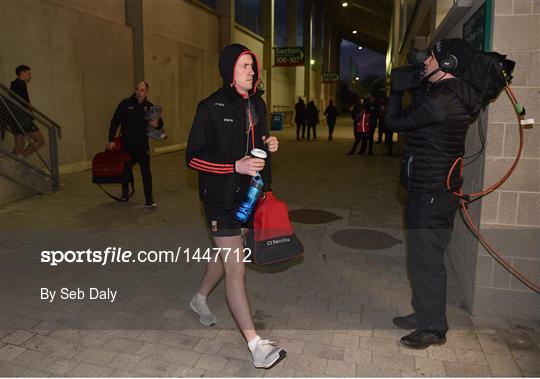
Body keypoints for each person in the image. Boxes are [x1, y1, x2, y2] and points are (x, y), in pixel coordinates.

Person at [186, 43, 285, 369]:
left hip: (249, 197)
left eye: (252, 67)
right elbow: (193, 157)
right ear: (230, 71)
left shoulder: (256, 103)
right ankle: (256, 346)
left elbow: (258, 148)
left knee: (228, 254)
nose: (251, 72)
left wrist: (269, 145)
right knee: (236, 268)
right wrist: (234, 167)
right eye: (245, 66)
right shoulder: (210, 107)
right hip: (219, 200)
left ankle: (199, 298)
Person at [386, 38, 481, 349]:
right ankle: (424, 313)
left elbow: (394, 122)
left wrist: (397, 91)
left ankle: (433, 328)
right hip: (432, 188)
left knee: (426, 260)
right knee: (419, 258)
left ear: (448, 64)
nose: (424, 62)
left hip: (431, 191)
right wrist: (420, 84)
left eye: (430, 59)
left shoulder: (442, 102)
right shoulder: (447, 94)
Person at [108, 81, 163, 208]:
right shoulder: (125, 104)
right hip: (126, 146)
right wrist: (111, 139)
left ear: (146, 91)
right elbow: (115, 121)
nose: (139, 92)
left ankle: (149, 199)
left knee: (146, 172)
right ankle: (125, 192)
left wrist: (157, 124)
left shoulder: (150, 107)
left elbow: (159, 123)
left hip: (142, 147)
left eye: (142, 90)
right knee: (125, 169)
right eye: (137, 89)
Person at [9, 65, 45, 159]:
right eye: (28, 73)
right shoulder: (20, 84)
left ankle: (11, 163)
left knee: (20, 144)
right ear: (22, 73)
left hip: (15, 118)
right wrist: (30, 111)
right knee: (40, 140)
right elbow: (24, 101)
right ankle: (20, 158)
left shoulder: (14, 84)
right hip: (22, 118)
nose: (30, 76)